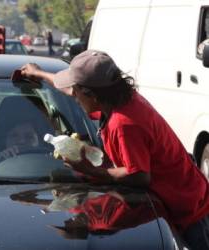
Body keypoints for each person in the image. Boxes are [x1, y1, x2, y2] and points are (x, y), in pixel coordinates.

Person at [20, 49, 209, 249]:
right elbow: (70, 90)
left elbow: (139, 176)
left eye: (76, 92)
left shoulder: (124, 124)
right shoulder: (119, 99)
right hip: (181, 201)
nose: (73, 96)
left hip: (189, 212)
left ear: (91, 95)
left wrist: (89, 169)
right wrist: (39, 74)